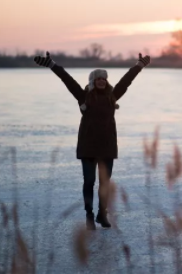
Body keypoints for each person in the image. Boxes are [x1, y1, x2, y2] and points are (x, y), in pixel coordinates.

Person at [33, 51, 151, 230]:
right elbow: (68, 80)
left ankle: (102, 214)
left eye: (104, 78)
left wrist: (139, 65)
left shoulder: (113, 96)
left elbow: (127, 81)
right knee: (89, 182)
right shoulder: (84, 97)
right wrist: (52, 65)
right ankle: (89, 214)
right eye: (98, 79)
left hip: (107, 148)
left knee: (105, 183)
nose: (102, 81)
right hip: (88, 147)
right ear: (93, 82)